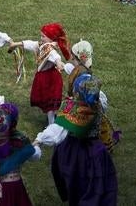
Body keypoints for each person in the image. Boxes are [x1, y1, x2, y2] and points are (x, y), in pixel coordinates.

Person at [34, 72, 118, 205]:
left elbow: (57, 130)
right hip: (97, 150)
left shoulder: (73, 112)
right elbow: (97, 94)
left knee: (78, 181)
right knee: (97, 183)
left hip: (76, 152)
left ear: (77, 93)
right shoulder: (99, 103)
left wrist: (39, 140)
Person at [8, 23, 71, 124]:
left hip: (49, 79)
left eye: (43, 36)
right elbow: (32, 44)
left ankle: (51, 125)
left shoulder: (49, 49)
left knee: (49, 101)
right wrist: (17, 44)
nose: (41, 38)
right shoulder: (44, 45)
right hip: (46, 77)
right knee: (49, 101)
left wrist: (59, 62)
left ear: (51, 38)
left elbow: (54, 56)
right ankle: (53, 118)